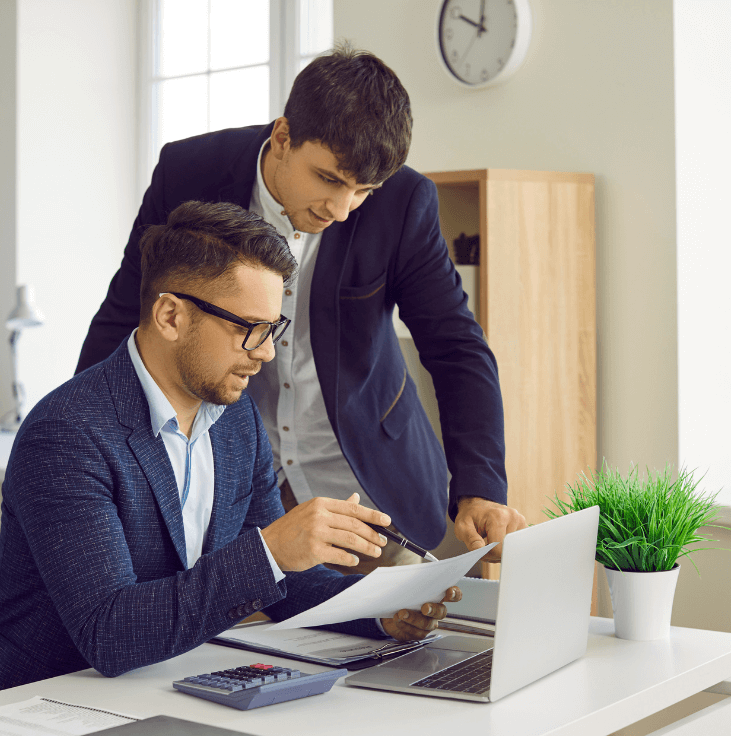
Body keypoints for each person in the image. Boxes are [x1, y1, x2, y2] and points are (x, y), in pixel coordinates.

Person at [0, 201, 460, 697]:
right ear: (170, 316)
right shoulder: (67, 434)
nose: (266, 352)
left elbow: (285, 584)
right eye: (248, 329)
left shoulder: (232, 419)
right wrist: (271, 550)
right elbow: (110, 632)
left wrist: (382, 610)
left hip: (163, 688)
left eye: (273, 329)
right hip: (42, 705)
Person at [75, 45, 525, 566]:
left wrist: (481, 485)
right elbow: (126, 312)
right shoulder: (188, 172)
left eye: (362, 191)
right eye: (329, 180)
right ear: (283, 138)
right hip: (232, 486)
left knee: (393, 633)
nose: (340, 209)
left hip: (364, 489)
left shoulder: (405, 203)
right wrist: (81, 443)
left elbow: (455, 346)